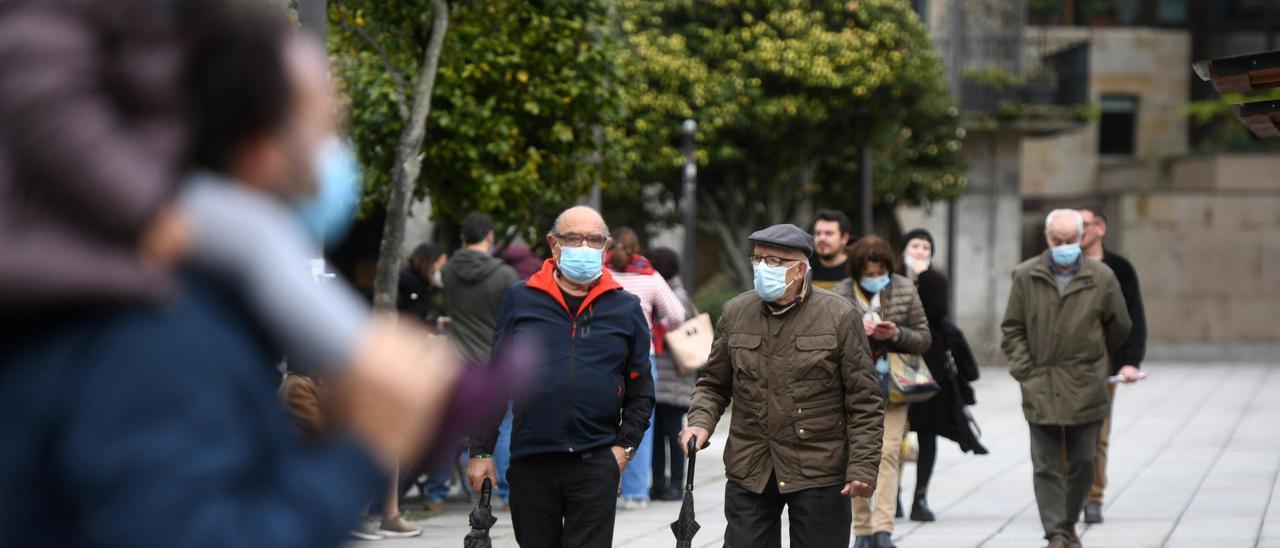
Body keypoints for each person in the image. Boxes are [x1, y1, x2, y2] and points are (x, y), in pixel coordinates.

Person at [0, 6, 459, 546]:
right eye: (324, 125)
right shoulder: (158, 335)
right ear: (262, 151)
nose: (337, 151)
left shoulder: (188, 313)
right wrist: (362, 448)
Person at [680, 223, 883, 548]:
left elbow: (865, 402)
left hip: (818, 467)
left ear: (801, 270)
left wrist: (862, 466)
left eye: (774, 262)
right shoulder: (736, 313)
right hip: (751, 464)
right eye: (758, 259)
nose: (763, 268)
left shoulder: (839, 316)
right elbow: (713, 384)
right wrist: (700, 423)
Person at [466, 206, 654, 548]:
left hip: (596, 460)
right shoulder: (522, 298)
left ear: (606, 246)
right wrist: (481, 452)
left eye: (594, 239)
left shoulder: (625, 307)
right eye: (573, 238)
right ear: (554, 244)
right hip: (532, 461)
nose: (584, 246)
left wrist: (624, 449)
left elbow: (641, 389)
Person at [1001, 209, 1132, 548]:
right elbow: (1012, 328)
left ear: (1081, 238)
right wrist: (1024, 369)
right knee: (1045, 463)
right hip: (1040, 380)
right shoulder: (1026, 275)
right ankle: (1057, 533)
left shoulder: (1102, 277)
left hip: (1086, 382)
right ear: (1048, 239)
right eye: (1057, 241)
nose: (1063, 247)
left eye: (1070, 241)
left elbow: (1119, 326)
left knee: (1084, 461)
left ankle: (1067, 524)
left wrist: (1094, 359)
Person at [833, 235, 931, 548]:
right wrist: (855, 333)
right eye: (869, 274)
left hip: (894, 385)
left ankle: (883, 528)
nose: (876, 279)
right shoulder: (841, 293)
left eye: (881, 273)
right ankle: (862, 528)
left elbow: (924, 337)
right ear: (857, 271)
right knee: (857, 455)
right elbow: (829, 343)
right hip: (853, 387)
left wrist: (896, 332)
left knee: (889, 453)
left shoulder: (903, 288)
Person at [897, 229, 988, 524]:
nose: (921, 250)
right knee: (895, 433)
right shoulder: (891, 278)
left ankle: (920, 497)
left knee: (927, 432)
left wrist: (921, 279)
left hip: (932, 367)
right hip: (898, 364)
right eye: (915, 245)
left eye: (926, 246)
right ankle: (893, 495)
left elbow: (935, 314)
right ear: (904, 249)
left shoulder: (936, 280)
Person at [439, 211, 520, 509]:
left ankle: (437, 495)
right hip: (494, 359)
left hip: (459, 358)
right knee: (503, 426)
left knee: (452, 425)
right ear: (490, 236)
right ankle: (509, 493)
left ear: (462, 237)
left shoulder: (447, 271)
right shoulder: (505, 275)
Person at [1076, 202, 1146, 525]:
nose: (1080, 231)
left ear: (1101, 228)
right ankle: (1067, 491)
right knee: (1061, 431)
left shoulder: (1120, 269)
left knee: (1097, 433)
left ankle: (1093, 495)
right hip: (1063, 364)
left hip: (1103, 362)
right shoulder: (1059, 266)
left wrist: (1128, 362)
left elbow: (1133, 318)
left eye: (1085, 224)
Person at [608, 227, 686, 510]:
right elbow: (678, 314)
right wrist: (657, 327)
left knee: (605, 421)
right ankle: (636, 492)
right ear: (637, 248)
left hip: (607, 357)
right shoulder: (650, 277)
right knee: (640, 423)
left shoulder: (602, 276)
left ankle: (607, 484)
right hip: (643, 357)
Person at [647, 247, 699, 502]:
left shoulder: (676, 294)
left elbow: (675, 329)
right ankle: (658, 483)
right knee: (657, 435)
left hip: (675, 379)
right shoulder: (663, 292)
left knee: (673, 433)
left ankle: (677, 483)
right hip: (661, 378)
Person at [399, 243, 448, 328]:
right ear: (428, 262)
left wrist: (439, 321)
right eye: (440, 265)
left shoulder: (424, 285)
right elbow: (412, 319)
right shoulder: (405, 281)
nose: (441, 270)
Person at [810, 209, 854, 290]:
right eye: (818, 233)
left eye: (829, 233)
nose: (822, 238)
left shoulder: (856, 270)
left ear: (844, 238)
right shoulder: (805, 269)